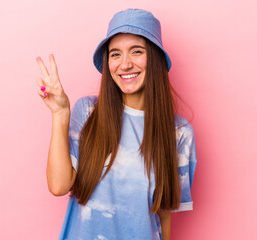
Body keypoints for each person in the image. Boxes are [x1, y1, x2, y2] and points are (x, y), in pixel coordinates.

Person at [36, 8, 197, 240]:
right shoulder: (88, 112)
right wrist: (61, 113)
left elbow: (162, 214)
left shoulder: (179, 134)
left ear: (155, 58)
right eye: (115, 54)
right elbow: (59, 186)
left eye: (137, 51)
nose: (125, 64)